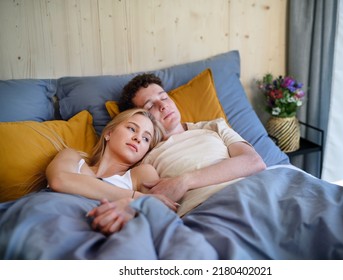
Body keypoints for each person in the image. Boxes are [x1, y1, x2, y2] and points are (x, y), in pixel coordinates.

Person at [87, 73, 267, 233]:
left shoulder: (214, 126)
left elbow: (254, 162)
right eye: (150, 106)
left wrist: (185, 181)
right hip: (208, 213)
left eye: (163, 98)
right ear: (142, 115)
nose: (162, 106)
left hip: (257, 191)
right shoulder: (144, 158)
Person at [46, 108, 178, 231]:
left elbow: (158, 213)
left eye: (146, 139)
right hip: (52, 217)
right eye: (132, 129)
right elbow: (59, 180)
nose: (138, 138)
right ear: (109, 133)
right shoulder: (72, 156)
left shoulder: (142, 173)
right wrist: (136, 197)